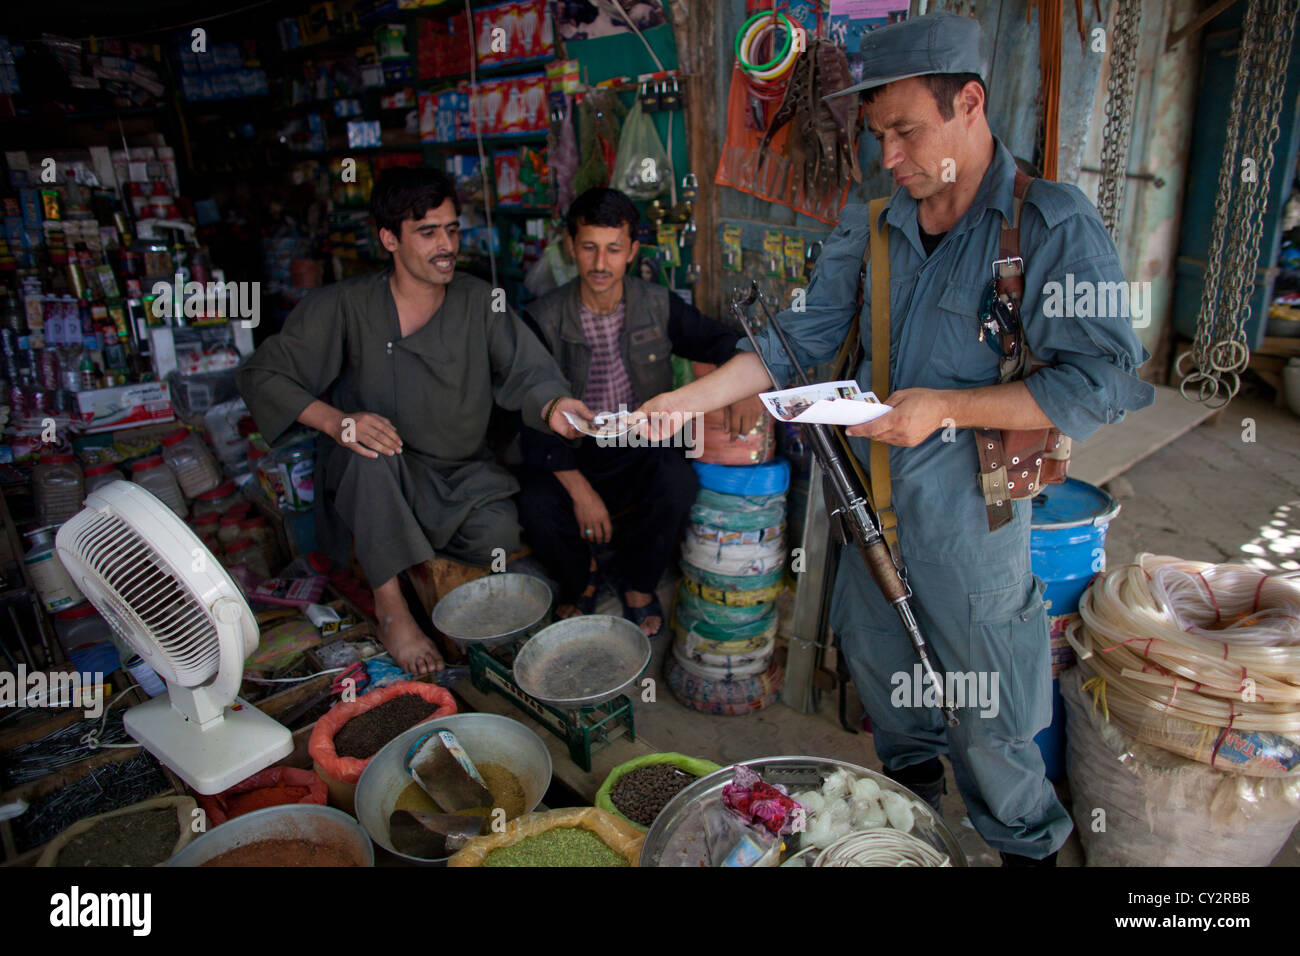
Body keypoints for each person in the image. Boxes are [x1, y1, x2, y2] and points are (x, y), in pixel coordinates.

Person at [637, 12, 1155, 864]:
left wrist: (949, 408)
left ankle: (1027, 849)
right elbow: (797, 339)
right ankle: (913, 841)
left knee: (993, 739)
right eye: (878, 135)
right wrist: (689, 397)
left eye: (906, 132)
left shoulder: (1051, 227)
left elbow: (1101, 383)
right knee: (897, 718)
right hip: (872, 522)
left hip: (972, 536)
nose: (890, 157)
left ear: (971, 105)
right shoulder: (875, 219)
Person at [237, 167, 591, 674]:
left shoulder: (479, 299)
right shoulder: (343, 305)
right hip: (377, 469)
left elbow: (528, 369)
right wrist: (339, 423)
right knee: (372, 451)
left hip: (459, 474)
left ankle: (403, 553)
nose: (446, 245)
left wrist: (555, 406)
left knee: (498, 538)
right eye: (427, 233)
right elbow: (263, 374)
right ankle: (392, 610)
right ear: (388, 238)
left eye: (452, 230)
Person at [517, 188, 764, 637]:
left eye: (613, 249)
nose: (599, 263)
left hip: (638, 444)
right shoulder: (541, 318)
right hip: (570, 452)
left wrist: (746, 384)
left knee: (676, 481)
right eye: (588, 247)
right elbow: (527, 409)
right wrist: (580, 491)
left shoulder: (657, 304)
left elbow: (721, 339)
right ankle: (583, 577)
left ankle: (637, 583)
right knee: (534, 502)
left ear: (632, 250)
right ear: (571, 246)